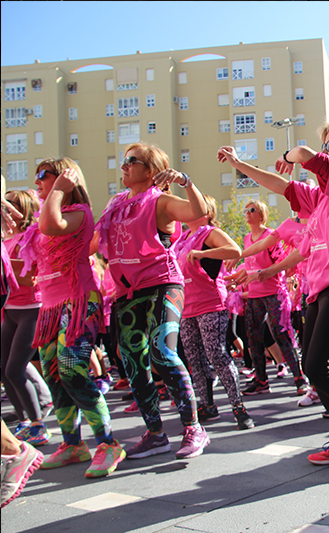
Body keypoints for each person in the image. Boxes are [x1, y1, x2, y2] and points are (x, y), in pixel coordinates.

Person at [217, 121, 329, 475]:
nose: (325, 152)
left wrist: (291, 155)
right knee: (311, 366)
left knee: (319, 366)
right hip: (320, 285)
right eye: (325, 146)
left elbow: (302, 155)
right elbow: (282, 184)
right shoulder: (324, 198)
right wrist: (240, 166)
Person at [96, 142, 210, 459]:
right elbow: (94, 242)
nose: (124, 167)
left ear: (150, 170)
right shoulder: (115, 205)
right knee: (132, 361)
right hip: (128, 291)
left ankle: (194, 428)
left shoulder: (160, 202)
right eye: (124, 161)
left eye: (131, 162)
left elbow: (197, 213)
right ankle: (156, 434)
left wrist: (186, 182)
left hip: (163, 284)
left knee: (162, 353)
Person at [24, 158, 126, 477]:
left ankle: (108, 445)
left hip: (79, 301)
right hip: (51, 307)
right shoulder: (48, 210)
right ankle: (73, 444)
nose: (38, 181)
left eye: (44, 176)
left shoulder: (78, 212)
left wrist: (59, 190)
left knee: (71, 371)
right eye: (37, 176)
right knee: (53, 374)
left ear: (65, 179)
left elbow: (50, 226)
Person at [174, 194, 254, 430]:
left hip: (210, 303)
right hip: (186, 307)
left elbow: (234, 250)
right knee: (194, 359)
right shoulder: (181, 239)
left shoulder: (208, 232)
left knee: (217, 355)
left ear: (205, 211)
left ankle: (238, 407)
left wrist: (203, 254)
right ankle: (207, 405)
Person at [230, 200, 306, 396]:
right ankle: (261, 380)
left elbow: (281, 265)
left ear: (261, 214)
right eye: (245, 209)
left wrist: (260, 272)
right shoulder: (247, 239)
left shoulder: (270, 236)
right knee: (253, 338)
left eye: (252, 210)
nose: (247, 213)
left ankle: (299, 378)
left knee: (281, 334)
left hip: (273, 293)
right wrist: (235, 280)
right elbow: (249, 268)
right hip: (254, 295)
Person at [1, 190, 53, 446]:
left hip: (31, 309)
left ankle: (38, 425)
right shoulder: (5, 238)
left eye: (10, 204)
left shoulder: (30, 237)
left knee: (15, 369)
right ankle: (24, 421)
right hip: (10, 310)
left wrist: (6, 265)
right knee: (3, 369)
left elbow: (27, 277)